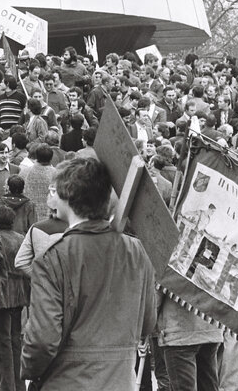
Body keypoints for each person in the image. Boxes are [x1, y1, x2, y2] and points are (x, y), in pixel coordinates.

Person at [21, 158, 156, 390]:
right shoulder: (137, 251)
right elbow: (147, 322)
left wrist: (29, 370)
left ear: (67, 196)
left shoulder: (53, 258)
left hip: (67, 381)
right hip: (120, 381)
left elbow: (43, 340)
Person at [0, 204, 27, 391]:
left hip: (2, 294)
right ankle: (18, 385)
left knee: (3, 342)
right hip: (19, 293)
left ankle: (6, 386)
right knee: (16, 340)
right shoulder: (21, 238)